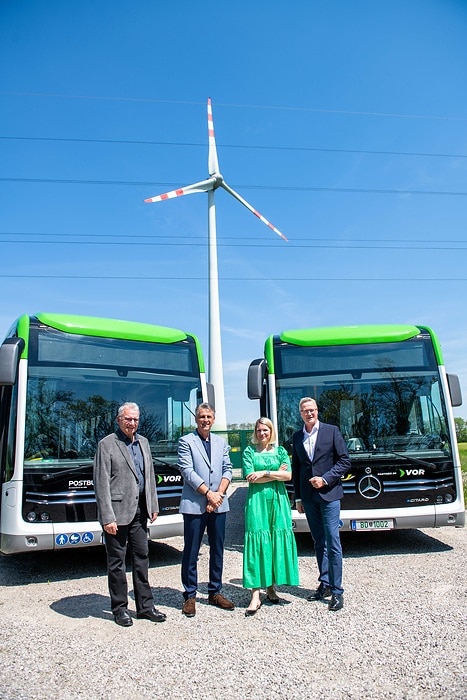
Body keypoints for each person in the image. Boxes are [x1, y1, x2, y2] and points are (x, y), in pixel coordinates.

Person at [93, 402, 166, 627]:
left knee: (142, 558)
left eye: (135, 419)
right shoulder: (107, 444)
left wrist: (153, 505)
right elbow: (101, 482)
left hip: (139, 512)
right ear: (119, 420)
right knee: (116, 563)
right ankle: (120, 608)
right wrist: (107, 517)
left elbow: (149, 475)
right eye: (128, 419)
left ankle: (145, 606)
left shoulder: (143, 442)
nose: (132, 423)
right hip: (117, 514)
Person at [291, 397, 350, 611]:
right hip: (308, 498)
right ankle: (324, 583)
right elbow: (296, 468)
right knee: (318, 541)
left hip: (329, 494)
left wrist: (325, 479)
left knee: (333, 542)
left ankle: (337, 591)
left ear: (317, 411)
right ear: (300, 413)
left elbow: (344, 461)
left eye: (313, 410)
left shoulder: (331, 431)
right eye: (306, 410)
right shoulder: (297, 436)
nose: (310, 413)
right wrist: (298, 498)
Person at [177, 403, 235, 617]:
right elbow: (187, 470)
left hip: (218, 504)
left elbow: (228, 469)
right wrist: (207, 494)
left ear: (214, 418)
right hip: (194, 505)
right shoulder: (186, 442)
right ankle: (190, 595)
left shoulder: (221, 443)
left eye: (209, 416)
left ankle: (215, 591)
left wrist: (218, 494)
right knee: (191, 551)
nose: (205, 420)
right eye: (202, 416)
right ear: (196, 418)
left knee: (217, 550)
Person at [242, 417, 299, 616]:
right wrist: (275, 472)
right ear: (255, 432)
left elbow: (289, 476)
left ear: (271, 431)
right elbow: (250, 477)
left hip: (278, 500)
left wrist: (264, 472)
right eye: (259, 430)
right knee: (257, 541)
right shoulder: (249, 451)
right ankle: (255, 594)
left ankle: (271, 588)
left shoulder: (281, 451)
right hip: (257, 501)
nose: (262, 433)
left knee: (275, 541)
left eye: (265, 430)